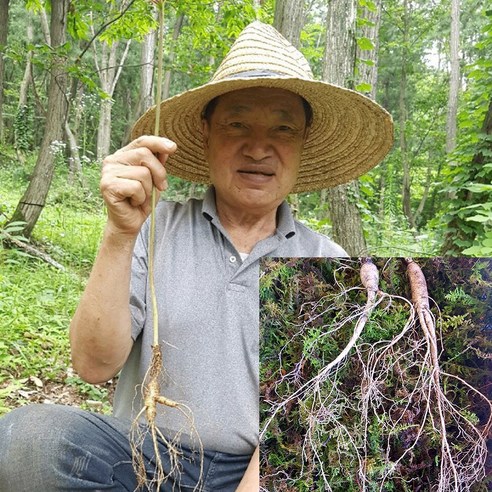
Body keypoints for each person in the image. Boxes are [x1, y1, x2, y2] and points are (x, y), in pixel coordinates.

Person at [0, 21, 393, 491]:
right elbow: (92, 366)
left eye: (283, 128)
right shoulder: (154, 228)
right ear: (206, 132)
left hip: (260, 471)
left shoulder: (326, 260)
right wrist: (120, 234)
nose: (258, 146)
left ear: (303, 143)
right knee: (26, 440)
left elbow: (312, 414)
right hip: (144, 457)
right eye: (237, 123)